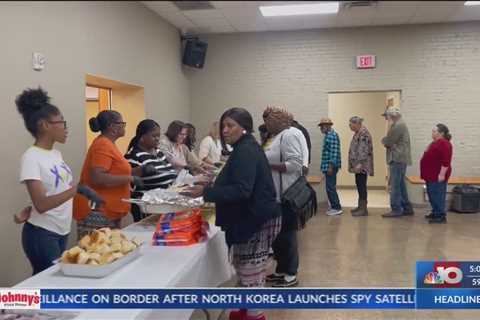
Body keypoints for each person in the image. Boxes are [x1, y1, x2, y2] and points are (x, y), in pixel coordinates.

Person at [182, 108, 281, 320]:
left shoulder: (245, 150)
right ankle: (245, 310)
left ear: (244, 127)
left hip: (255, 218)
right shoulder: (244, 147)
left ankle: (255, 315)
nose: (225, 130)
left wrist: (206, 191)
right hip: (253, 216)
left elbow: (242, 189)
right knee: (246, 270)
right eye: (223, 125)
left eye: (231, 125)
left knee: (251, 272)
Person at [15, 87, 102, 275]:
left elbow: (54, 190)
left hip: (61, 230)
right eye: (62, 122)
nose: (65, 127)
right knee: (50, 286)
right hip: (42, 233)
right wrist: (77, 190)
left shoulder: (55, 153)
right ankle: (14, 304)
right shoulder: (31, 157)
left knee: (53, 285)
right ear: (45, 125)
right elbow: (42, 204)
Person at [73, 110, 151, 238]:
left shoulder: (109, 144)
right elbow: (98, 177)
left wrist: (141, 170)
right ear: (112, 126)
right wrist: (131, 178)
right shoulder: (102, 145)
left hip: (109, 210)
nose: (124, 126)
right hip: (97, 211)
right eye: (122, 123)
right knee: (97, 251)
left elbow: (116, 172)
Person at [263, 107, 308, 288]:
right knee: (279, 237)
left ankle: (290, 274)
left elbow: (295, 164)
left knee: (287, 235)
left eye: (267, 121)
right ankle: (281, 271)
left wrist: (267, 165)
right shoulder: (278, 136)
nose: (265, 125)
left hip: (287, 195)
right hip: (276, 195)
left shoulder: (290, 135)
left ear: (276, 121)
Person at [125, 119, 178, 222]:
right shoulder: (134, 156)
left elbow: (169, 171)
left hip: (163, 204)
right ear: (142, 137)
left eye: (159, 136)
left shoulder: (158, 152)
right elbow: (130, 182)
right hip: (146, 209)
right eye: (154, 136)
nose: (157, 139)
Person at [381, 107, 415, 218]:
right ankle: (407, 207)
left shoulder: (398, 125)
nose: (386, 118)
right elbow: (390, 142)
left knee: (395, 185)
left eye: (387, 116)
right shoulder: (399, 124)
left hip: (397, 158)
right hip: (400, 158)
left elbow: (388, 141)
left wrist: (385, 141)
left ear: (392, 115)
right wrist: (389, 143)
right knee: (401, 184)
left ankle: (396, 209)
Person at [420, 124, 453, 224]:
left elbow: (446, 160)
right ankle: (435, 211)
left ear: (441, 133)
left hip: (437, 175)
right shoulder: (436, 142)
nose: (432, 133)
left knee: (437, 195)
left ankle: (440, 215)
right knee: (432, 194)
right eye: (432, 131)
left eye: (434, 131)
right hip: (431, 174)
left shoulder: (444, 143)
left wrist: (442, 174)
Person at [348, 116, 374, 216]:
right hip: (358, 165)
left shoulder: (363, 133)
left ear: (357, 124)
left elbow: (363, 151)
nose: (350, 126)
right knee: (359, 184)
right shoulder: (358, 133)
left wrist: (359, 164)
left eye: (351, 124)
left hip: (362, 166)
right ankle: (360, 206)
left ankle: (363, 209)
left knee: (361, 185)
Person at [318, 117, 342, 216]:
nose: (320, 128)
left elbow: (334, 153)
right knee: (330, 187)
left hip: (330, 166)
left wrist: (330, 167)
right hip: (329, 166)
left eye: (322, 126)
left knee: (330, 187)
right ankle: (334, 206)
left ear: (327, 126)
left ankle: (336, 207)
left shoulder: (331, 136)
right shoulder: (329, 135)